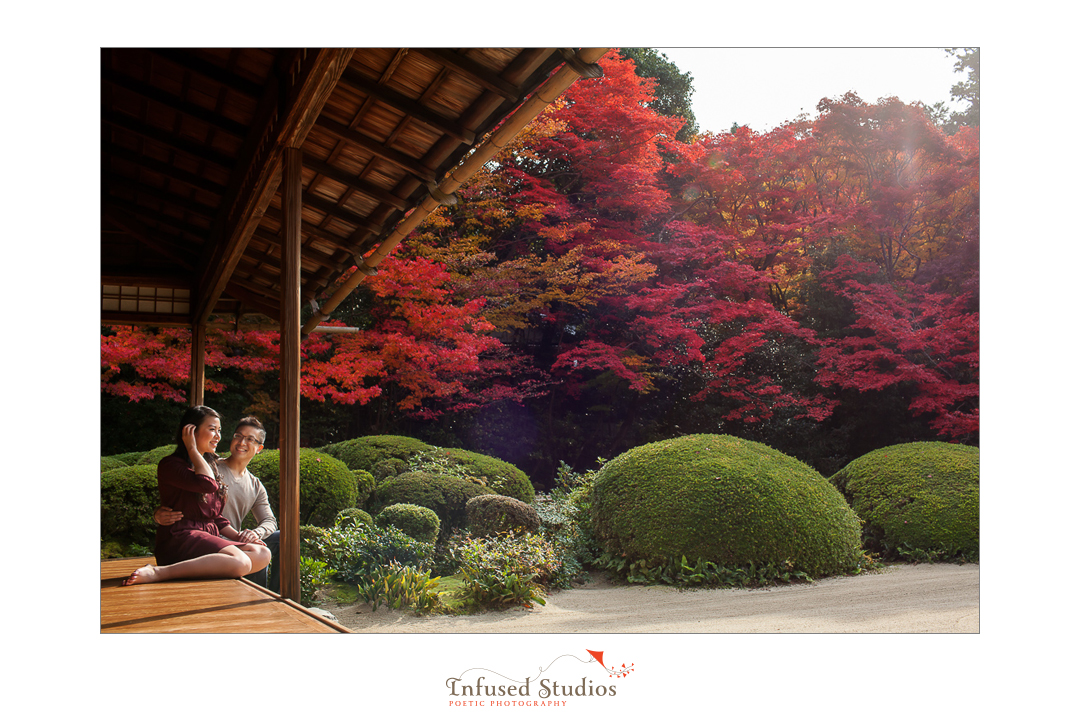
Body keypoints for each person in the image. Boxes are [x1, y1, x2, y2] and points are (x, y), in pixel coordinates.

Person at [123, 406, 271, 586]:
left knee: (263, 554)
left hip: (211, 537)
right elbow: (206, 485)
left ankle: (222, 576)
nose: (218, 436)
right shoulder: (174, 465)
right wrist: (192, 448)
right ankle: (159, 572)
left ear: (259, 448)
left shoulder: (221, 471)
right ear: (191, 431)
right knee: (241, 561)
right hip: (182, 537)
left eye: (219, 431)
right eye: (212, 430)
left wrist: (240, 536)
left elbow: (216, 517)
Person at [154, 416, 280, 591]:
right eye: (238, 436)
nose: (242, 442)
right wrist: (158, 513)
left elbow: (270, 521)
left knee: (278, 539)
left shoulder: (255, 485)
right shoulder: (210, 468)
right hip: (208, 535)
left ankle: (272, 597)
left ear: (259, 448)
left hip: (234, 536)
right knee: (249, 556)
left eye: (250, 439)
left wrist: (256, 533)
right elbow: (178, 497)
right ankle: (249, 593)